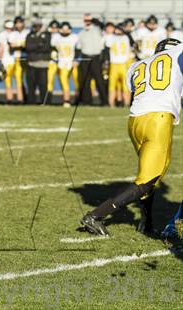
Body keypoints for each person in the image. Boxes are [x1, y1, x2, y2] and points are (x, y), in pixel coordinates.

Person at [80, 39, 182, 236]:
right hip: (158, 119)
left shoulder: (137, 65)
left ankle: (147, 222)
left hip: (135, 120)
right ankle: (96, 215)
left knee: (148, 176)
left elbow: (138, 92)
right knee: (148, 178)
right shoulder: (178, 54)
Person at [76, 13, 108, 105]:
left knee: (99, 81)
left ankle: (104, 101)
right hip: (85, 57)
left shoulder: (97, 30)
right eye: (86, 20)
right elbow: (79, 47)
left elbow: (103, 26)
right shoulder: (81, 33)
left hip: (96, 58)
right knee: (85, 81)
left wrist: (94, 20)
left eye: (89, 20)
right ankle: (87, 101)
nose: (88, 22)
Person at [24, 17, 51, 105]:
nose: (37, 27)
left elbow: (46, 48)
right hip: (32, 63)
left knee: (43, 85)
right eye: (36, 26)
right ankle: (31, 102)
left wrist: (35, 46)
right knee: (31, 86)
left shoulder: (47, 35)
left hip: (43, 64)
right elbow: (28, 47)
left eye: (39, 26)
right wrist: (39, 44)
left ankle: (45, 102)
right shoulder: (30, 35)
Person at [52, 21, 79, 107]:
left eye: (67, 29)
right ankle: (66, 100)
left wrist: (76, 60)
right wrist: (54, 56)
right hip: (62, 62)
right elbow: (52, 48)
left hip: (72, 62)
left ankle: (78, 100)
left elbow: (78, 49)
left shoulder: (74, 37)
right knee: (64, 82)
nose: (65, 31)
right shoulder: (56, 37)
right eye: (63, 29)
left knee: (77, 81)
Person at [105, 24, 132, 107]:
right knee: (112, 85)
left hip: (124, 63)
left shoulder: (126, 37)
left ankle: (127, 103)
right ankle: (111, 104)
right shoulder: (110, 37)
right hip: (114, 64)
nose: (118, 31)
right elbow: (106, 47)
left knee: (126, 85)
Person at [7, 16, 29, 104]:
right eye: (17, 23)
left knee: (24, 79)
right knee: (13, 78)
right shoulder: (12, 34)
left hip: (25, 58)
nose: (19, 24)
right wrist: (20, 46)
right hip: (14, 59)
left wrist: (17, 46)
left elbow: (27, 47)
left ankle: (23, 99)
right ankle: (14, 99)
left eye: (20, 22)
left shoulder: (27, 33)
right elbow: (11, 48)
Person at [0, 19, 16, 104]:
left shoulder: (3, 35)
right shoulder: (15, 34)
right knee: (16, 80)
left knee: (9, 80)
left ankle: (10, 99)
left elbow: (1, 48)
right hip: (13, 59)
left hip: (9, 60)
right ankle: (17, 99)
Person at [46, 20, 60, 104]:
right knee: (50, 81)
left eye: (56, 28)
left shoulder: (61, 36)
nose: (54, 29)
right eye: (52, 28)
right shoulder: (47, 36)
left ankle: (68, 101)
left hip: (62, 62)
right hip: (52, 62)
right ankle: (48, 100)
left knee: (64, 81)